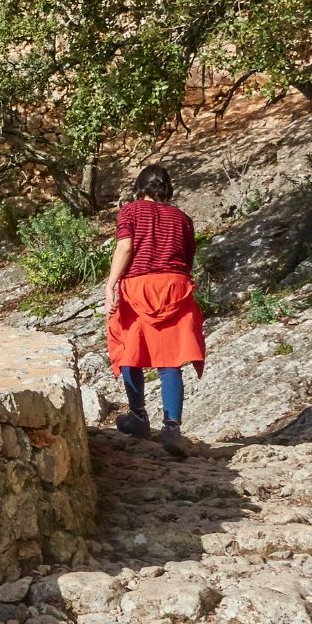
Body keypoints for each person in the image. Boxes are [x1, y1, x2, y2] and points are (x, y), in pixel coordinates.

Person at [104, 163, 206, 458]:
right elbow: (187, 260)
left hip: (139, 286)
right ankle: (172, 427)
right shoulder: (182, 218)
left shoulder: (131, 211)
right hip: (175, 287)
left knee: (130, 350)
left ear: (139, 188)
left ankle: (138, 418)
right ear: (167, 189)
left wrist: (110, 284)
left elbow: (125, 248)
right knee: (170, 359)